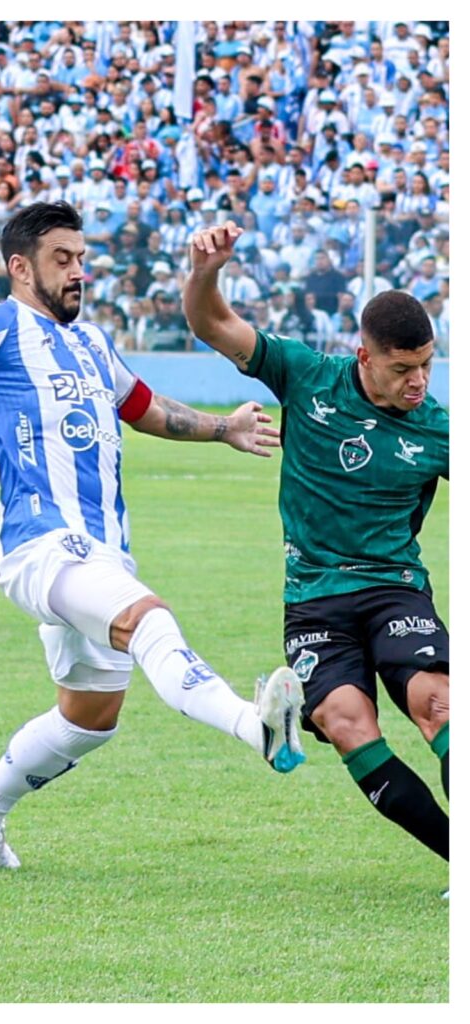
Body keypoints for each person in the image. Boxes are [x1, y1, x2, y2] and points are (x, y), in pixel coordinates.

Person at [0, 203, 304, 870]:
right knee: (148, 620)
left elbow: (143, 406)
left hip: (102, 548)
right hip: (41, 544)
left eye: (82, 259)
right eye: (62, 260)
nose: (79, 272)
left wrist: (221, 428)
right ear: (19, 267)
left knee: (90, 716)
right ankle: (255, 725)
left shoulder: (91, 342)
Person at [183, 221, 449, 878]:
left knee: (438, 703)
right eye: (403, 368)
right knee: (347, 722)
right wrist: (206, 271)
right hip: (314, 602)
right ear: (366, 357)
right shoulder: (307, 376)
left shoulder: (440, 429)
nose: (418, 382)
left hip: (395, 589)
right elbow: (212, 325)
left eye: (427, 366)